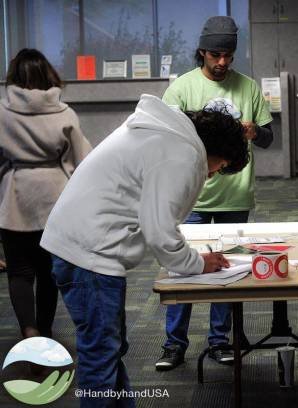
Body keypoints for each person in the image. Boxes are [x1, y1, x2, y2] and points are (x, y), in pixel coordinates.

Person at [40, 96, 249, 408]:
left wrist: (188, 258)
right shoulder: (181, 154)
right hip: (90, 254)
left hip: (81, 246)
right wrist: (197, 263)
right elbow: (159, 232)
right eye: (220, 167)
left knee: (109, 351)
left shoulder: (164, 134)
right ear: (216, 151)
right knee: (100, 357)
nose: (213, 174)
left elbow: (156, 221)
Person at [157, 15, 273, 370]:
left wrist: (255, 133)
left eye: (229, 56)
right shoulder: (181, 89)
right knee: (183, 269)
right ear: (202, 52)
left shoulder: (249, 88)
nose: (223, 62)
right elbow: (164, 138)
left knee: (228, 269)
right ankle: (173, 344)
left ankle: (219, 341)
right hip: (191, 196)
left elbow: (270, 138)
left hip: (234, 196)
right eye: (216, 55)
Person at [0, 48, 92, 340]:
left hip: (15, 199)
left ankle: (28, 330)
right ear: (48, 75)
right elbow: (84, 160)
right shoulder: (64, 113)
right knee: (48, 272)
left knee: (19, 272)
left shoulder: (2, 112)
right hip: (55, 198)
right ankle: (46, 329)